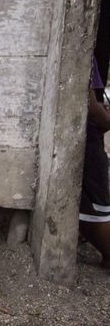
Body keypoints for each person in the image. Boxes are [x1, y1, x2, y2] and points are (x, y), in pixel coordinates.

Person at [80, 55, 110, 268]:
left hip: (90, 139)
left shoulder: (88, 56)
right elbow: (89, 104)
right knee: (98, 210)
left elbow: (92, 101)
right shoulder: (86, 54)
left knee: (96, 211)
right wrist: (106, 119)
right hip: (88, 139)